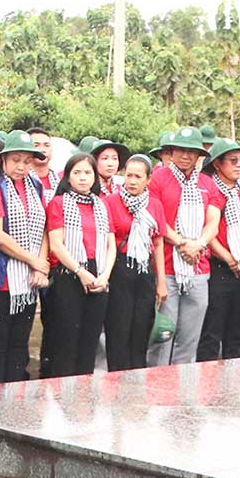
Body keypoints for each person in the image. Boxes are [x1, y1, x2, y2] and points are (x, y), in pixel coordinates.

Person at [147, 127, 222, 366]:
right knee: (163, 334)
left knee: (190, 337)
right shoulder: (158, 178)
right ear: (171, 151)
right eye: (181, 150)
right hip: (167, 266)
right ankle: (156, 386)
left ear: (199, 155)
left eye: (192, 151)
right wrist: (181, 242)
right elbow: (157, 219)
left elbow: (213, 222)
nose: (186, 156)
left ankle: (182, 387)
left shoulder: (207, 183)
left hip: (198, 267)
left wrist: (198, 244)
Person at [42, 152, 115, 377]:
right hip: (69, 274)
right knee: (66, 340)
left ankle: (84, 398)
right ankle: (62, 397)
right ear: (68, 177)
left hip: (99, 274)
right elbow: (56, 245)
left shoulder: (102, 205)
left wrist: (104, 276)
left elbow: (110, 244)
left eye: (87, 172)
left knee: (89, 340)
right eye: (77, 173)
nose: (83, 178)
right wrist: (80, 272)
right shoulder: (59, 203)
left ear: (94, 176)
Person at [0, 130, 47, 383]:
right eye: (16, 160)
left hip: (28, 280)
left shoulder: (36, 185)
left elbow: (43, 229)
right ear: (4, 160)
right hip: (2, 278)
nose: (21, 166)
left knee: (20, 342)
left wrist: (40, 267)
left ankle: (17, 400)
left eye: (27, 161)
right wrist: (33, 260)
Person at [200, 138, 240, 360]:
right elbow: (209, 229)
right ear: (217, 164)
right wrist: (230, 259)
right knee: (212, 331)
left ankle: (236, 385)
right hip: (219, 267)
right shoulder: (208, 188)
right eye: (233, 160)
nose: (239, 165)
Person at [104, 154, 161, 370]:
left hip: (144, 271)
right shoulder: (110, 202)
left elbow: (158, 241)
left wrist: (161, 282)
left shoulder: (154, 205)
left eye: (138, 176)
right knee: (118, 329)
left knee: (141, 328)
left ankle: (137, 382)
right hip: (119, 269)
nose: (132, 181)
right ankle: (116, 382)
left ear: (148, 180)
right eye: (128, 175)